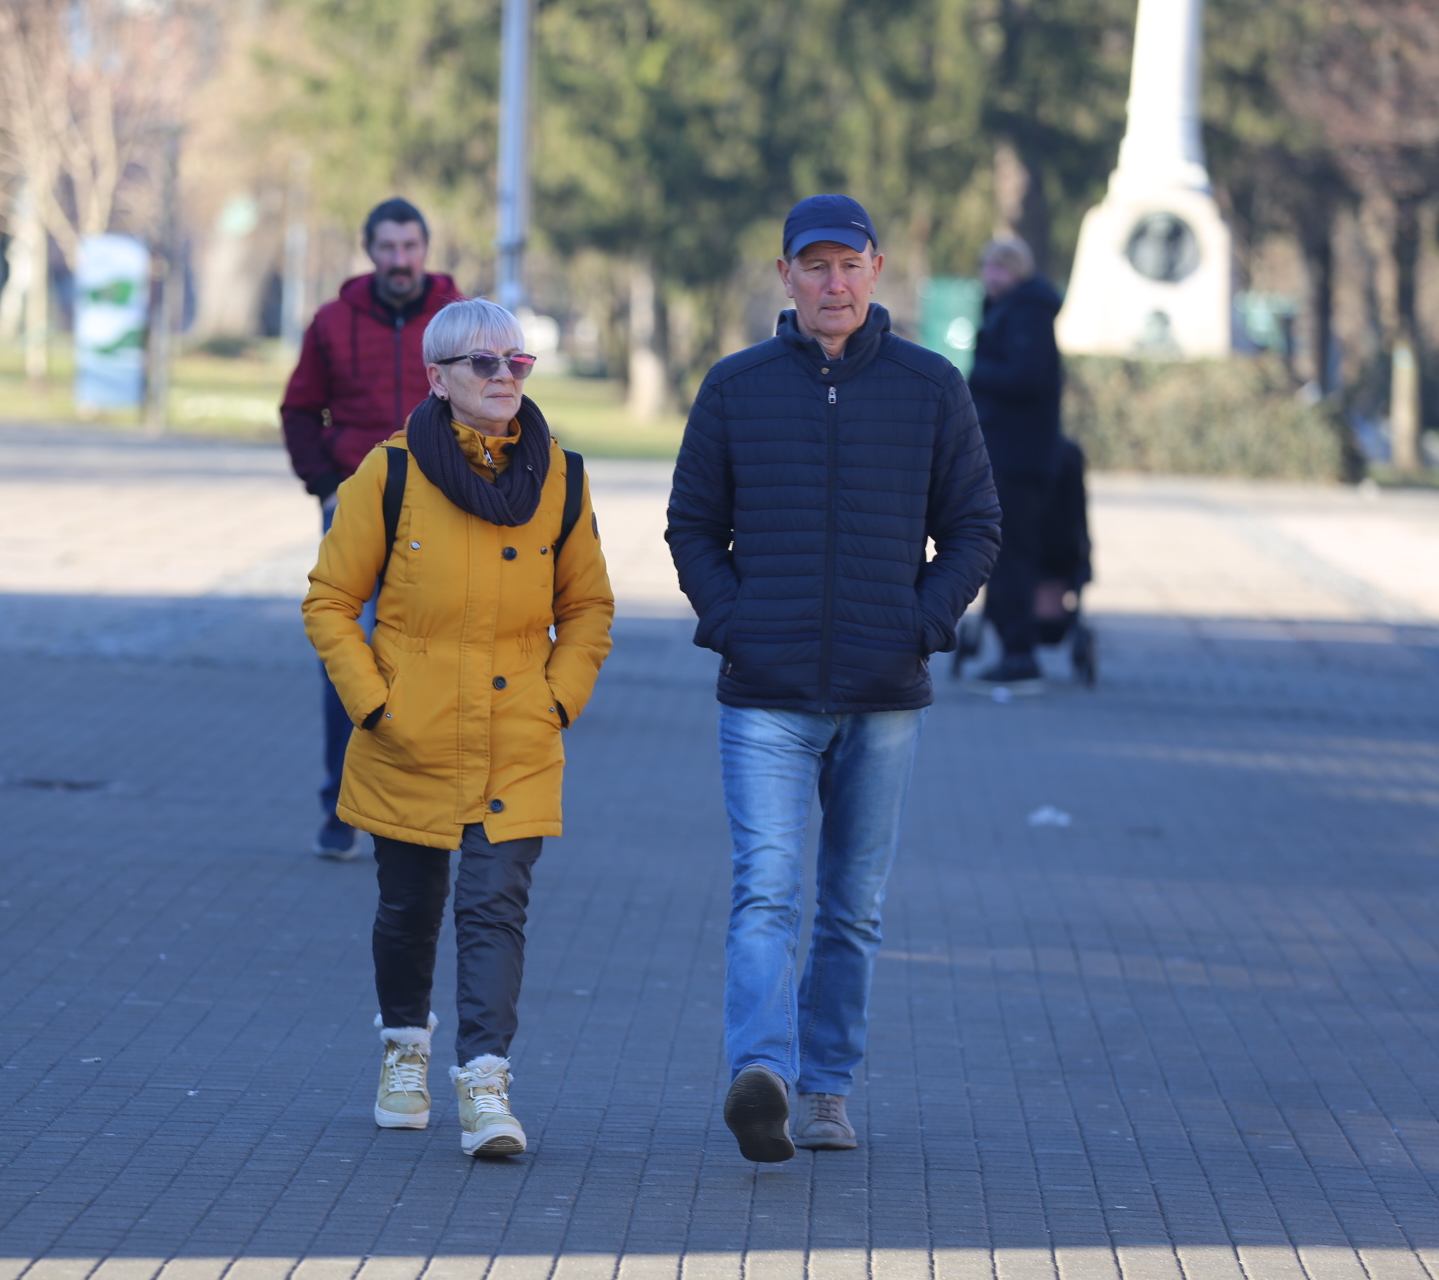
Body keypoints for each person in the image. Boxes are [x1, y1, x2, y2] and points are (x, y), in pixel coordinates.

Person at [665, 194, 999, 1162]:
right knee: (766, 890)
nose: (833, 282)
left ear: (876, 269)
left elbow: (975, 524)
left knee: (853, 906)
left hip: (883, 693)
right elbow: (693, 525)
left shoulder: (931, 387)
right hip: (764, 694)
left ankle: (826, 1088)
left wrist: (921, 622)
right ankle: (758, 1072)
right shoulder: (735, 388)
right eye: (814, 266)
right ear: (785, 277)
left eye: (848, 264)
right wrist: (734, 622)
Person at [304, 298, 614, 1158]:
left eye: (518, 362)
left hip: (517, 730)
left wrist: (557, 700)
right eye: (485, 364)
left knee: (494, 906)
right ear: (437, 379)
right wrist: (376, 704)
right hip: (411, 730)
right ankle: (404, 1050)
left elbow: (588, 607)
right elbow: (330, 600)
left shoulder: (562, 476)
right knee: (409, 904)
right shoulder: (389, 473)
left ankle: (485, 1080)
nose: (506, 377)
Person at [281, 199, 462, 862]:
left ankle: (429, 801)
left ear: (425, 247)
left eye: (410, 245)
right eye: (387, 247)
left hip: (442, 510)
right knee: (347, 657)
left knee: (437, 657)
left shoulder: (457, 319)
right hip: (355, 509)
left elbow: (496, 403)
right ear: (370, 251)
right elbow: (300, 408)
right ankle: (340, 804)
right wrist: (325, 482)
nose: (400, 260)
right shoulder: (332, 323)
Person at [966, 236, 1065, 691]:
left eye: (999, 268)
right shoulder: (1013, 309)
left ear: (1017, 271)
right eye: (987, 267)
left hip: (1018, 454)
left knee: (1012, 555)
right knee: (1003, 553)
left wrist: (975, 374)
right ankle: (1010, 648)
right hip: (1010, 450)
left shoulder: (1026, 313)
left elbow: (1027, 377)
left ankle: (1019, 652)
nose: (991, 276)